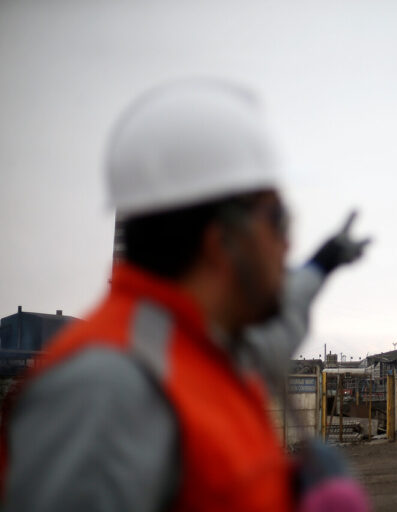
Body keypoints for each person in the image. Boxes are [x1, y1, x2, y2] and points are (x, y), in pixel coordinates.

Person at [0, 79, 371, 512]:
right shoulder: (107, 393)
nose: (288, 245)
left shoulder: (216, 348)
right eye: (279, 220)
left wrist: (322, 265)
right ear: (222, 242)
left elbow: (284, 314)